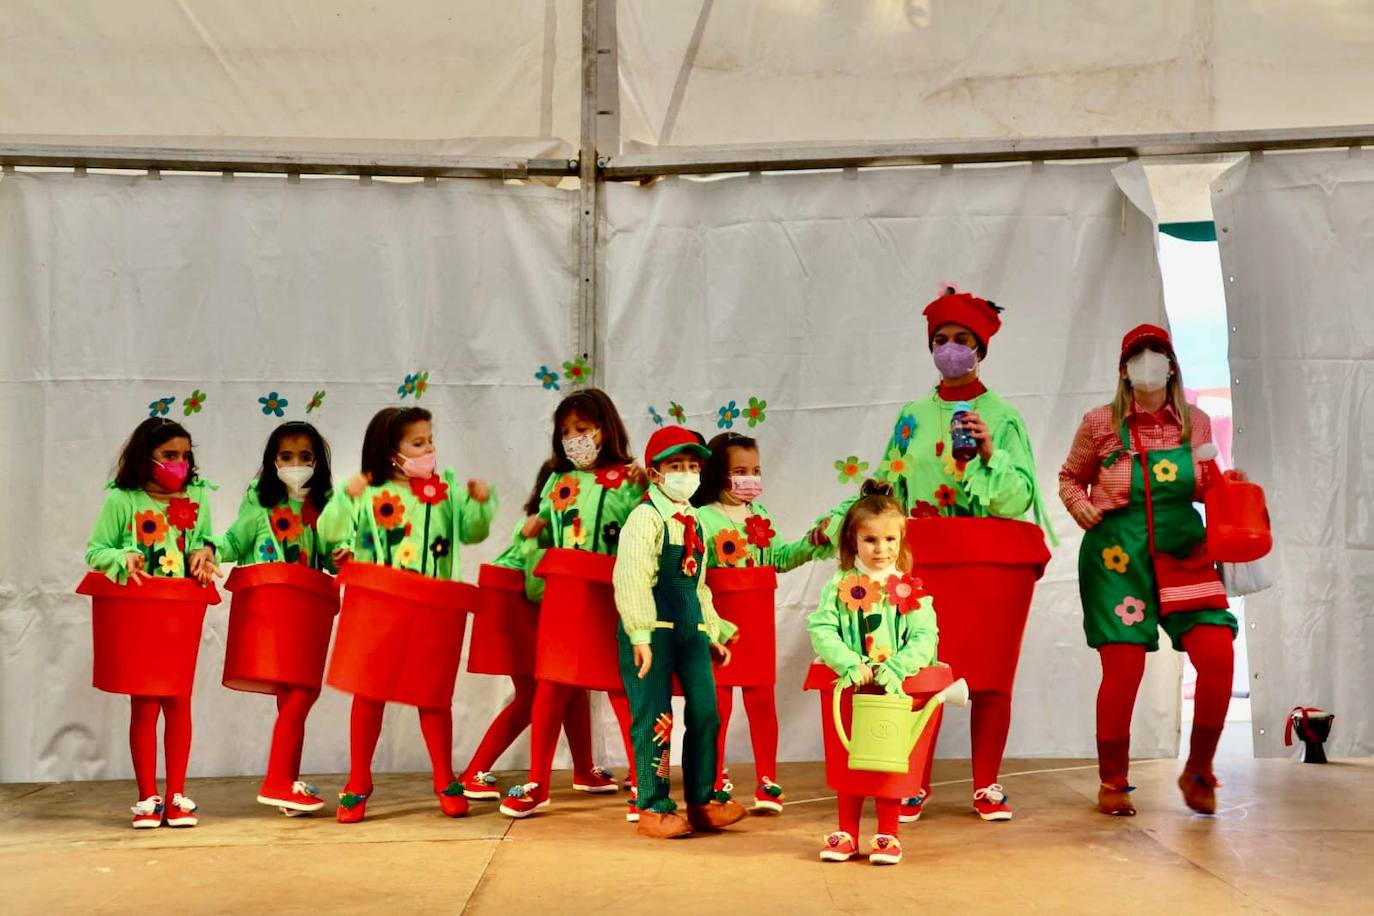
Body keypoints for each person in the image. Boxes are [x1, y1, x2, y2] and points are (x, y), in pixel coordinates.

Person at [1059, 323, 1241, 816]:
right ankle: (1113, 782)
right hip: (1117, 555)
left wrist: (1226, 486)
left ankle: (1199, 770)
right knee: (1123, 668)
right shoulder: (1100, 422)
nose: (1148, 361)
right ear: (1123, 370)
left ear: (1172, 364)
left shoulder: (1195, 423)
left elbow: (1204, 485)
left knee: (1218, 656)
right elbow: (1070, 477)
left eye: (1156, 353)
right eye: (1138, 355)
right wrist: (1083, 509)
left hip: (1183, 547)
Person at [318, 406, 495, 823]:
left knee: (433, 695)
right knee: (369, 691)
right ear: (390, 450)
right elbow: (328, 531)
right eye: (418, 443)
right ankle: (358, 779)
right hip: (379, 606)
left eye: (430, 440)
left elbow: (471, 532)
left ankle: (444, 778)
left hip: (431, 607)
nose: (428, 449)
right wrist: (347, 495)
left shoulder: (444, 490)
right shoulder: (369, 492)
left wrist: (480, 504)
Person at [612, 426, 746, 838]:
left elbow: (698, 585)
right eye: (676, 466)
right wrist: (639, 634)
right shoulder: (645, 518)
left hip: (691, 632)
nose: (686, 473)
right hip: (652, 633)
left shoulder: (694, 522)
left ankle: (703, 800)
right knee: (655, 717)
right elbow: (631, 575)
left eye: (692, 466)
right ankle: (652, 806)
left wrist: (715, 630)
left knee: (707, 712)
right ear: (655, 474)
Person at [85, 418, 218, 828]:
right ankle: (148, 796)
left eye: (184, 455)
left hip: (179, 610)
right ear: (146, 458)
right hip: (139, 612)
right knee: (144, 702)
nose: (179, 463)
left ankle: (177, 793)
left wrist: (204, 554)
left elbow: (204, 542)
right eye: (169, 455)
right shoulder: (122, 500)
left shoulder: (197, 496)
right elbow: (95, 550)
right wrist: (120, 558)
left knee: (178, 700)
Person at [691, 431, 833, 812]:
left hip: (757, 620)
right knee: (716, 704)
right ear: (718, 473)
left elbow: (780, 558)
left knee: (761, 701)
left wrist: (813, 541)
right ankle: (713, 776)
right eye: (740, 470)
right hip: (721, 620)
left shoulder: (761, 515)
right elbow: (695, 573)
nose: (750, 478)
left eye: (755, 470)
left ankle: (766, 779)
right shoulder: (701, 518)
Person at [810, 481, 938, 865]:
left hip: (894, 691)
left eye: (889, 540)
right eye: (870, 540)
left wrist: (896, 667)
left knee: (888, 760)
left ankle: (887, 833)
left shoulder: (909, 589)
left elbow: (925, 635)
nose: (881, 550)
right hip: (851, 685)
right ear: (853, 541)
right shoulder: (839, 586)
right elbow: (822, 627)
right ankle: (847, 832)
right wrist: (849, 664)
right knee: (849, 760)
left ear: (902, 540)